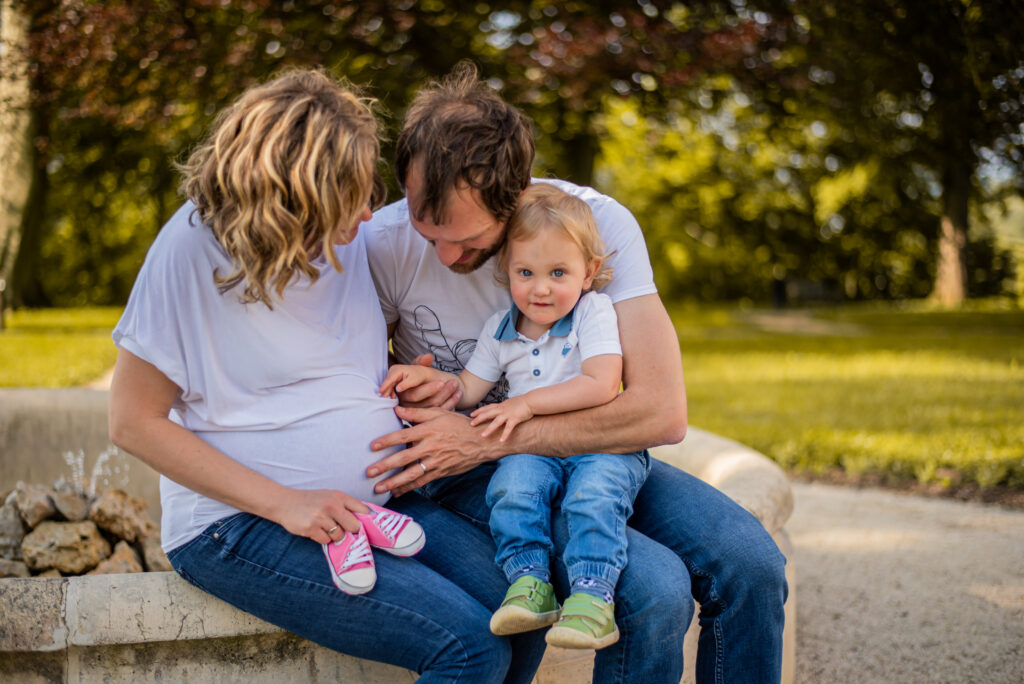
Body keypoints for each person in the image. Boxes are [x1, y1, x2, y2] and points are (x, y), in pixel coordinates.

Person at [107, 69, 547, 683]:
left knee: (521, 610)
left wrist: (402, 379)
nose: (369, 211)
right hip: (239, 522)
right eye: (349, 197)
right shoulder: (189, 252)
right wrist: (286, 504)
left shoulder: (342, 241)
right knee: (469, 648)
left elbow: (321, 369)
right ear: (290, 200)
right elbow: (133, 423)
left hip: (376, 502)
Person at [363, 62, 788, 683]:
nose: (446, 256)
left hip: (580, 450)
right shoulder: (381, 241)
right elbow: (355, 392)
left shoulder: (594, 228)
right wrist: (414, 382)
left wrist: (481, 433)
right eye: (429, 235)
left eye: (469, 239)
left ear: (516, 196)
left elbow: (660, 411)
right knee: (653, 590)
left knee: (751, 563)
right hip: (464, 474)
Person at [380, 183, 649, 650]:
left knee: (593, 498)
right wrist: (430, 384)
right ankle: (529, 582)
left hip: (600, 447)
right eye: (526, 272)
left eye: (558, 273)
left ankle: (592, 597)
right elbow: (468, 388)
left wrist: (524, 405)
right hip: (534, 449)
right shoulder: (499, 331)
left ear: (589, 273)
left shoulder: (594, 311)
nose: (541, 288)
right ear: (507, 273)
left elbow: (602, 383)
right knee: (511, 488)